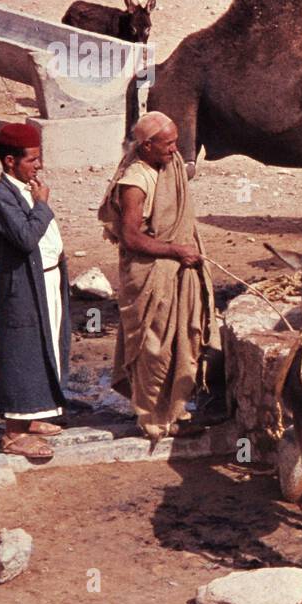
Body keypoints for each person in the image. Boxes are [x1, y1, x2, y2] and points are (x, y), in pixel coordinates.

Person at [97, 111, 217, 440]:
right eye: (168, 144)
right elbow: (131, 238)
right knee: (153, 347)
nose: (175, 150)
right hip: (149, 274)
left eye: (177, 142)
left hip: (175, 271)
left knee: (183, 338)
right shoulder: (135, 183)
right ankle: (152, 419)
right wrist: (177, 251)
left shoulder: (168, 166)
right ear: (147, 146)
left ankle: (173, 412)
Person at [0, 123, 70, 461]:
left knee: (44, 346)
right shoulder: (2, 197)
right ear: (10, 161)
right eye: (32, 160)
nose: (38, 166)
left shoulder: (24, 188)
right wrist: (42, 205)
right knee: (22, 351)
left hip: (46, 280)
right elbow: (24, 238)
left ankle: (33, 414)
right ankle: (13, 433)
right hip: (22, 289)